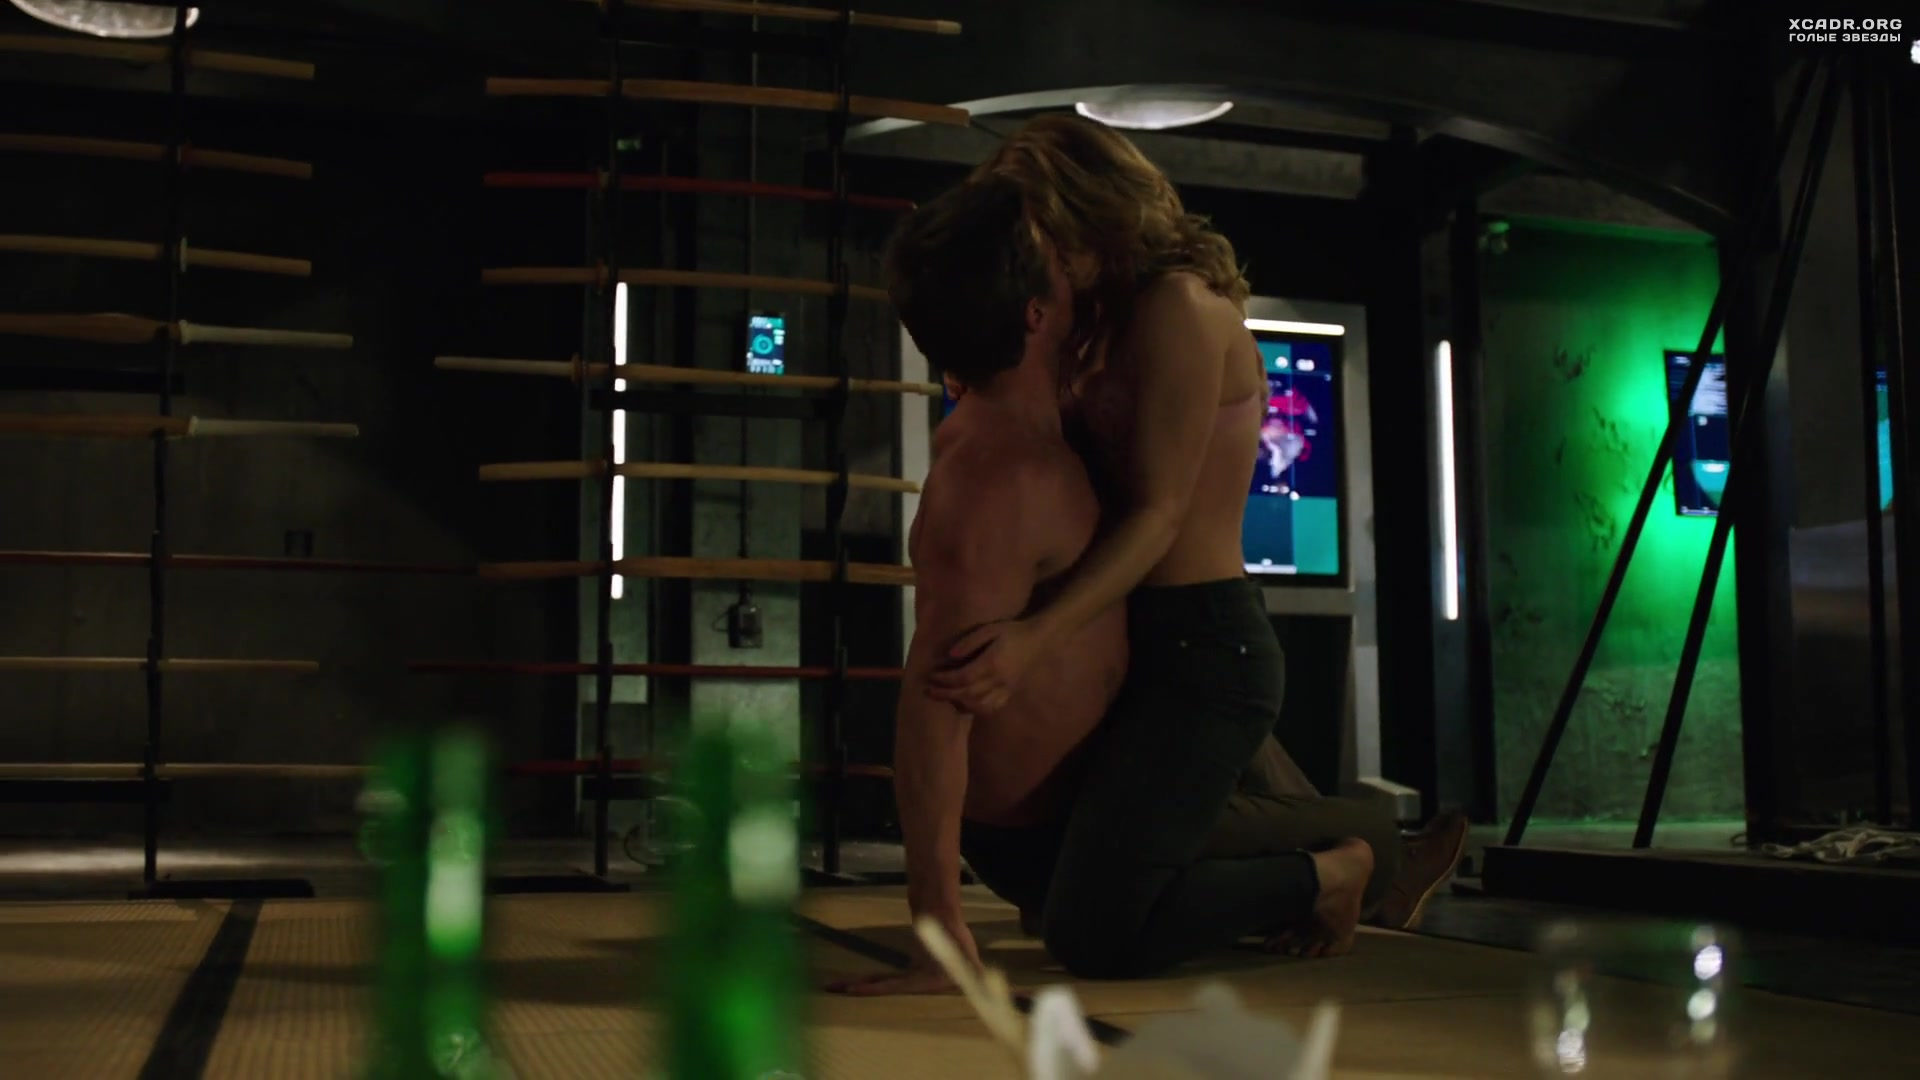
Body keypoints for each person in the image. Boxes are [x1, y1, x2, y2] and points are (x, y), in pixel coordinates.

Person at [916, 114, 1463, 977]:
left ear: (1088, 213)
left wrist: (1033, 639)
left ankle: (1360, 857)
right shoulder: (1090, 318)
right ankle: (1347, 856)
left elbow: (1159, 516)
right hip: (1134, 630)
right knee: (1061, 886)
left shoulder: (1178, 308)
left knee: (1093, 933)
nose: (1032, 251)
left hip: (1201, 637)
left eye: (1040, 229)